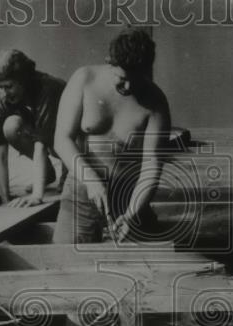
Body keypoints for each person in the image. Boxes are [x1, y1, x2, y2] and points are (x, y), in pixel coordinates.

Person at [52, 28, 171, 243]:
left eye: (137, 80)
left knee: (144, 272)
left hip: (129, 198)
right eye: (121, 78)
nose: (128, 87)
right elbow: (62, 139)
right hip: (81, 193)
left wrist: (133, 213)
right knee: (61, 264)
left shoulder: (156, 102)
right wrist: (91, 180)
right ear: (110, 62)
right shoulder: (84, 79)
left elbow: (152, 164)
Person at [0, 49, 67, 207]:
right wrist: (5, 199)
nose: (3, 93)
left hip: (74, 139)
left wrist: (37, 195)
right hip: (46, 135)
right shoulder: (3, 100)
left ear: (23, 79)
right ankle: (48, 174)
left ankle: (67, 174)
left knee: (68, 187)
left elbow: (41, 145)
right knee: (10, 126)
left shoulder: (47, 88)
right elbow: (0, 153)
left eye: (8, 86)